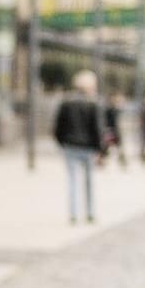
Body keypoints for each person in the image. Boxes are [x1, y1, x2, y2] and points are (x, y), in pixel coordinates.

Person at [54, 70, 102, 224]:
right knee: (88, 182)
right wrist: (99, 148)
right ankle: (90, 212)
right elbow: (97, 129)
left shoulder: (66, 103)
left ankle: (73, 214)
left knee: (72, 180)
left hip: (70, 146)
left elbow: (58, 127)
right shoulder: (92, 104)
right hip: (88, 147)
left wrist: (62, 142)